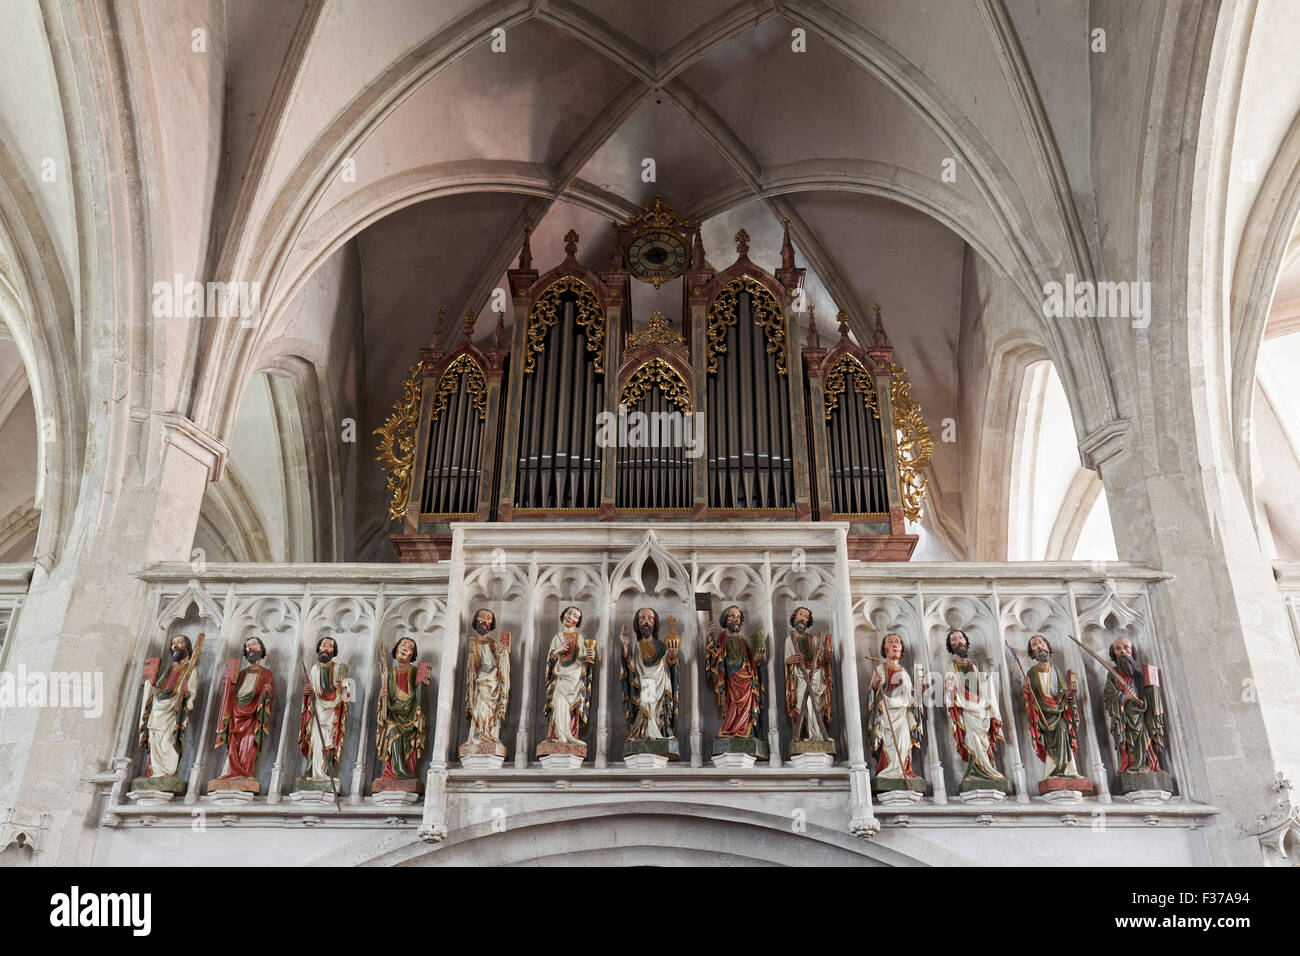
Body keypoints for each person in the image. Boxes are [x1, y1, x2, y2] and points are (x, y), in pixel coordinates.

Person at [943, 628, 1009, 791]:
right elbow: (950, 690)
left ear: (966, 641)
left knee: (984, 740)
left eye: (960, 637)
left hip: (981, 709)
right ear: (951, 646)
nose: (958, 641)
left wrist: (991, 705)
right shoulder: (951, 666)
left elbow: (986, 688)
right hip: (965, 710)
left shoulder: (975, 666)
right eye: (953, 639)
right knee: (971, 738)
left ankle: (988, 770)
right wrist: (950, 690)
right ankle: (975, 772)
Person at [211, 636, 275, 789]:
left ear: (261, 649)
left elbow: (268, 697)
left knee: (249, 743)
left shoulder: (266, 673)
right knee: (233, 744)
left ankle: (245, 773)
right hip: (236, 713)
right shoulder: (240, 673)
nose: (250, 648)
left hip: (253, 716)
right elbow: (233, 694)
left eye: (254, 644)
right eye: (247, 646)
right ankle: (231, 771)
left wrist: (267, 693)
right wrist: (227, 686)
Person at [138, 634, 199, 781]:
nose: (175, 646)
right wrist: (149, 688)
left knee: (168, 740)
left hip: (173, 711)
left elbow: (192, 694)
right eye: (173, 644)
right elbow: (159, 688)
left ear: (188, 648)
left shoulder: (191, 670)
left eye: (180, 642)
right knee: (154, 738)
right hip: (158, 708)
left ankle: (167, 771)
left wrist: (186, 694)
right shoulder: (170, 669)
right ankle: (153, 770)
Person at [1103, 636, 1167, 777]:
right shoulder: (1113, 676)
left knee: (1145, 741)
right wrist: (1123, 697)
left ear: (1132, 651)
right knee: (1127, 745)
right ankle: (1131, 766)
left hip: (1141, 717)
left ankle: (1148, 765)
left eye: (1126, 647)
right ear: (1114, 654)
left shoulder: (1139, 676)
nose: (1123, 651)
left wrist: (1150, 693)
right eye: (1118, 649)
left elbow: (1148, 698)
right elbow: (1108, 697)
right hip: (1124, 719)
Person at [1023, 635, 1084, 780]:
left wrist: (1069, 694)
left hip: (1058, 711)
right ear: (1032, 652)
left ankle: (1070, 771)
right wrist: (1027, 688)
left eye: (1041, 642)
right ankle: (1052, 773)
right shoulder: (1032, 672)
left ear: (1047, 646)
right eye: (1034, 645)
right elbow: (1031, 696)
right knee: (1050, 743)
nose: (1039, 646)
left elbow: (1063, 693)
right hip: (1043, 714)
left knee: (1064, 730)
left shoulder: (1055, 670)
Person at [705, 605, 766, 740]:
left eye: (738, 617)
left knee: (746, 708)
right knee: (732, 705)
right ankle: (730, 730)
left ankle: (746, 732)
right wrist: (710, 638)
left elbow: (752, 660)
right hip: (731, 679)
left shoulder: (742, 639)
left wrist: (757, 659)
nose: (736, 619)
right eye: (732, 616)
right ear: (725, 619)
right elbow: (716, 658)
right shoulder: (722, 637)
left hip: (747, 679)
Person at [867, 633, 922, 782]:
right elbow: (873, 696)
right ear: (885, 648)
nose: (894, 644)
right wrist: (875, 686)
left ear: (902, 648)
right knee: (889, 743)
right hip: (886, 715)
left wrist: (917, 694)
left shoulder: (904, 672)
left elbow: (909, 697)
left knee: (904, 744)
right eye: (890, 642)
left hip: (902, 715)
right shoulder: (880, 668)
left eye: (897, 642)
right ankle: (887, 771)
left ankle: (905, 771)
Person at [619, 607, 679, 741]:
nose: (646, 621)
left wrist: (672, 657)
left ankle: (661, 734)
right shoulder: (638, 646)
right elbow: (631, 668)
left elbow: (667, 665)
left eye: (650, 618)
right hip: (643, 684)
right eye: (642, 618)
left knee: (655, 708)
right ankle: (639, 734)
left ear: (655, 623)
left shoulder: (660, 645)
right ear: (637, 623)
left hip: (660, 684)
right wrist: (625, 646)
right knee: (645, 702)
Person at [375, 636, 428, 785]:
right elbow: (385, 705)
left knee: (406, 739)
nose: (405, 648)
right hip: (393, 717)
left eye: (410, 647)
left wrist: (422, 687)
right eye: (403, 645)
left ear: (412, 654)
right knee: (393, 732)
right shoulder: (388, 674)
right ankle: (393, 772)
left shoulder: (418, 671)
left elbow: (420, 700)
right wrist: (381, 698)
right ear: (396, 649)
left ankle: (406, 772)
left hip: (411, 716)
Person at [540, 606, 596, 748]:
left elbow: (582, 659)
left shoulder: (580, 638)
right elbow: (551, 659)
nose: (572, 617)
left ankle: (571, 735)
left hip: (575, 679)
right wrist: (558, 650)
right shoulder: (557, 637)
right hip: (560, 677)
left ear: (578, 622)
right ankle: (560, 736)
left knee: (572, 709)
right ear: (563, 615)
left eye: (576, 616)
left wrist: (590, 655)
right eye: (569, 613)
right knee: (559, 703)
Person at [297, 635, 349, 785]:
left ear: (334, 651)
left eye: (330, 646)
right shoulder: (314, 669)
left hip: (332, 714)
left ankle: (325, 772)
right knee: (314, 740)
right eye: (323, 645)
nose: (326, 648)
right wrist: (306, 692)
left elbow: (348, 698)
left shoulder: (340, 668)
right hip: (316, 714)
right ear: (318, 648)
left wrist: (342, 688)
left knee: (329, 742)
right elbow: (310, 693)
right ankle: (313, 772)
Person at [784, 607, 833, 745]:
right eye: (800, 615)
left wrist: (827, 657)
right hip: (799, 676)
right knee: (802, 700)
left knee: (816, 703)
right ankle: (804, 734)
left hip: (816, 676)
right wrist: (790, 660)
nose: (803, 619)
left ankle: (817, 734)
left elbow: (823, 659)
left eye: (806, 617)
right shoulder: (790, 639)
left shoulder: (815, 639)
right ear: (794, 618)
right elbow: (786, 661)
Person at [464, 608, 510, 748]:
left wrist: (504, 652)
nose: (485, 620)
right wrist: (471, 668)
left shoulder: (492, 643)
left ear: (491, 623)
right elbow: (474, 668)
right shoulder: (474, 643)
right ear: (476, 620)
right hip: (479, 683)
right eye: (482, 617)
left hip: (492, 682)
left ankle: (489, 735)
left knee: (489, 711)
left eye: (488, 618)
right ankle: (477, 736)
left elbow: (500, 663)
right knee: (478, 710)